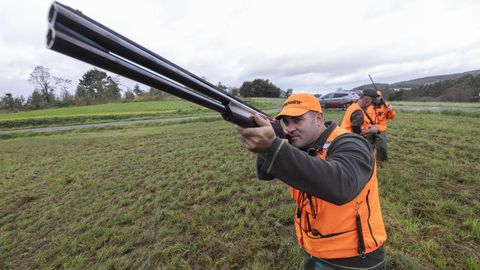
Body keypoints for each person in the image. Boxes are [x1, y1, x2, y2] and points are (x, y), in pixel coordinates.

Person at [236, 93, 387, 270]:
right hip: (314, 248)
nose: (290, 128)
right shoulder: (303, 145)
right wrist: (274, 146)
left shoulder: (351, 142)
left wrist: (274, 147)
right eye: (286, 122)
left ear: (318, 118)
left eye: (297, 120)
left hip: (354, 258)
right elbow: (265, 174)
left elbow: (342, 185)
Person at [366, 90, 396, 162]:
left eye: (378, 96)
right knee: (367, 145)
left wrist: (390, 111)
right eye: (375, 96)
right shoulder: (367, 105)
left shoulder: (387, 105)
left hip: (380, 129)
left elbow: (392, 117)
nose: (376, 98)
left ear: (381, 96)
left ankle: (382, 161)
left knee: (382, 146)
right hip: (369, 128)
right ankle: (368, 160)